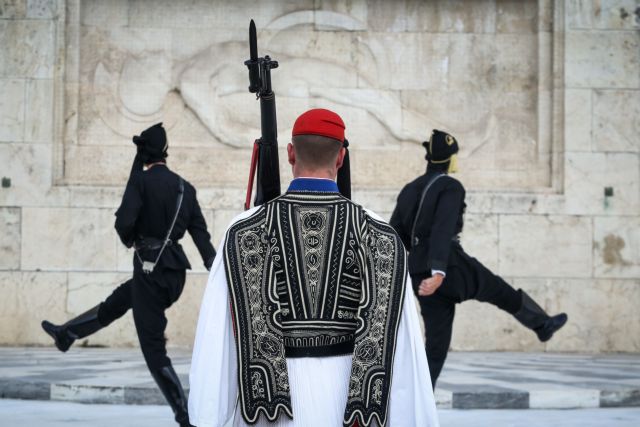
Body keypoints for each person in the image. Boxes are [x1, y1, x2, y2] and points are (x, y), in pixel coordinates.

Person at [188, 109, 439, 427]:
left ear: (290, 153)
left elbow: (216, 335)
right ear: (341, 157)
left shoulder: (243, 230)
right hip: (353, 408)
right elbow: (404, 347)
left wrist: (208, 416)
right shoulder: (380, 234)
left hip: (269, 410)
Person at [41, 123, 216, 427]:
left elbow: (123, 222)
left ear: (145, 154)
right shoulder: (184, 188)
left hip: (150, 271)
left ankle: (185, 417)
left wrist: (132, 240)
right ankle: (67, 334)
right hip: (174, 275)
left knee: (152, 349)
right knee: (118, 301)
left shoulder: (141, 182)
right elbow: (202, 238)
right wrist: (218, 272)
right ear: (165, 152)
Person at [389, 129, 568, 388]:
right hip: (449, 266)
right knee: (498, 290)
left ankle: (419, 399)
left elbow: (395, 233)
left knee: (436, 346)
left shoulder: (409, 189)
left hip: (418, 273)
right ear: (449, 159)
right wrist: (438, 272)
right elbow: (442, 227)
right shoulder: (450, 186)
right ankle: (542, 324)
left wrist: (415, 263)